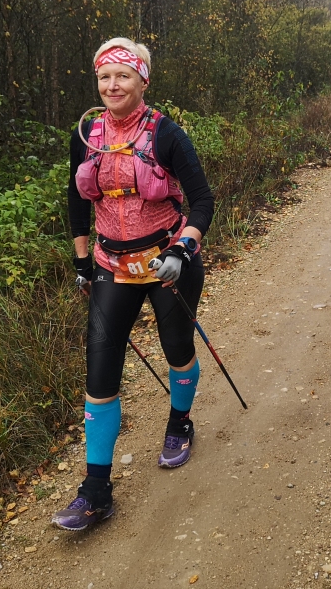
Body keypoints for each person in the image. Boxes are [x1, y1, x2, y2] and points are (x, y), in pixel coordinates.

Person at [55, 37, 215, 531]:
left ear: (142, 79)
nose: (112, 85)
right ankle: (96, 490)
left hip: (167, 261)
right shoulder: (88, 134)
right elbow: (76, 202)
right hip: (112, 265)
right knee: (100, 372)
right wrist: (83, 261)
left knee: (176, 348)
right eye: (104, 76)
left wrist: (182, 249)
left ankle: (179, 422)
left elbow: (203, 200)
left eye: (122, 75)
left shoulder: (168, 134)